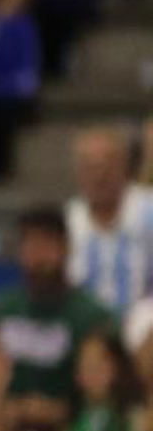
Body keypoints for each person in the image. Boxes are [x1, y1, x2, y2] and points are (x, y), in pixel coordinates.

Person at [0, 205, 118, 431]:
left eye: (46, 245)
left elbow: (111, 394)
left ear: (66, 248)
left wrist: (56, 411)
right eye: (29, 245)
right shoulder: (1, 312)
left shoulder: (91, 318)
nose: (37, 257)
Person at [66, 128, 153, 319]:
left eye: (108, 166)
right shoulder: (68, 221)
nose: (100, 176)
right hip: (86, 331)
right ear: (78, 173)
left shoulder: (149, 211)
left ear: (124, 168)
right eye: (91, 168)